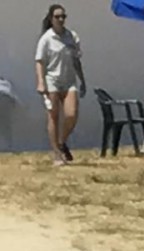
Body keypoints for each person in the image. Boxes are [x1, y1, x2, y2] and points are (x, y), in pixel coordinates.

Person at [35, 4, 86, 166]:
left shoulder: (72, 36)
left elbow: (76, 60)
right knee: (54, 116)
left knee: (71, 114)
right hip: (53, 81)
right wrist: (41, 82)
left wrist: (82, 80)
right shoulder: (46, 39)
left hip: (69, 81)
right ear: (51, 19)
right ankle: (57, 154)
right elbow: (39, 61)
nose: (61, 19)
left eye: (63, 16)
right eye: (57, 17)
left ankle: (61, 142)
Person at [0, 76, 21, 151]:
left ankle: (8, 146)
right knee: (5, 125)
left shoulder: (6, 84)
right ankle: (8, 145)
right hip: (6, 100)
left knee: (5, 125)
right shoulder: (6, 84)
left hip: (5, 99)